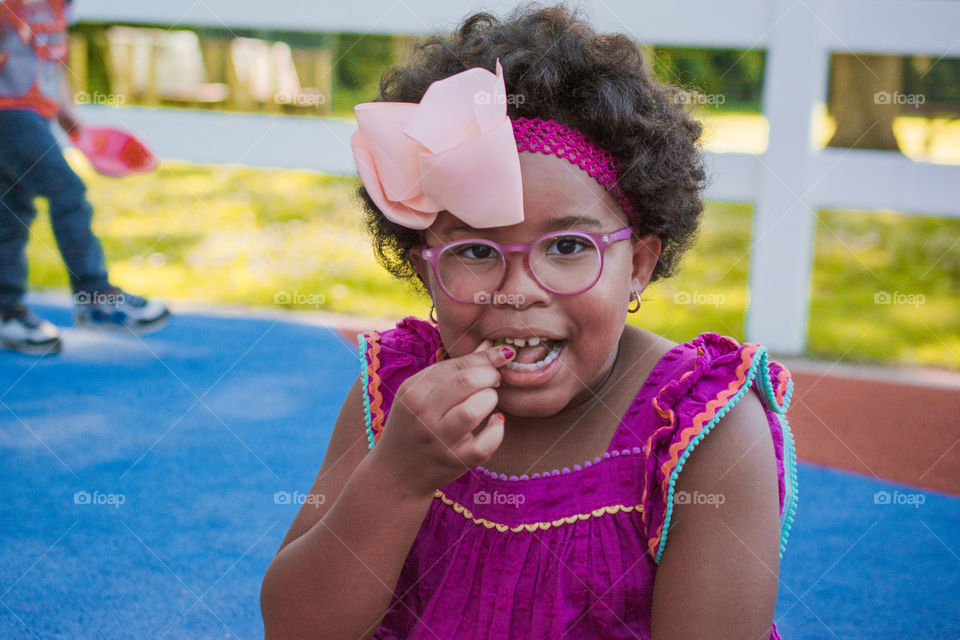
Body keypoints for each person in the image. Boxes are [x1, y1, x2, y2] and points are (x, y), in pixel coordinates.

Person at [261, 5, 799, 639]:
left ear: (639, 265)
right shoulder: (393, 397)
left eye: (569, 248)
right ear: (426, 269)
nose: (518, 293)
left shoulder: (700, 430)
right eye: (475, 251)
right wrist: (397, 479)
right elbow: (296, 628)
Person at [0, 0, 169, 355]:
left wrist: (72, 124)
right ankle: (95, 297)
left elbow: (51, 65)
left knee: (12, 209)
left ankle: (6, 312)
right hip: (9, 113)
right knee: (67, 191)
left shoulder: (58, 5)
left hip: (33, 113)